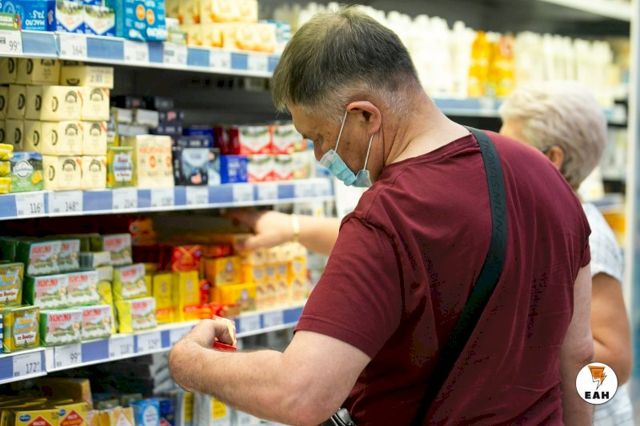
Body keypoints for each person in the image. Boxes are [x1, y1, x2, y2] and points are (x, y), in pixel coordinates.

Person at [169, 8, 593, 425]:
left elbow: (301, 393)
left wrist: (190, 361)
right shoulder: (544, 175)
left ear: (365, 115)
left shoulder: (386, 216)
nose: (319, 155)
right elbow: (578, 356)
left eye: (318, 136)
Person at [499, 82, 633, 426]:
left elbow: (617, 363)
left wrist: (529, 339)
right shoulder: (542, 219)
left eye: (509, 148)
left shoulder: (586, 233)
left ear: (552, 159)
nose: (497, 159)